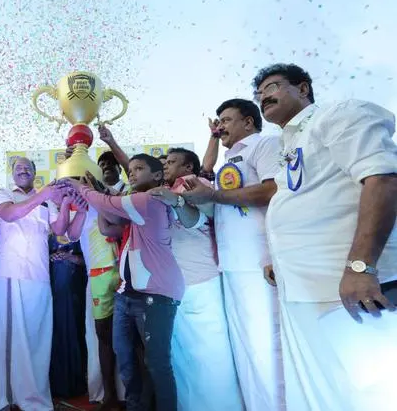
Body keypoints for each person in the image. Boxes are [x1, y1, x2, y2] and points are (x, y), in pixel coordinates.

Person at [254, 63, 397, 410]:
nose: (263, 98)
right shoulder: (288, 142)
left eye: (272, 87)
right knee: (325, 392)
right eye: (258, 95)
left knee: (370, 393)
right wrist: (281, 259)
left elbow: (382, 179)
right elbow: (306, 200)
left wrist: (362, 267)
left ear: (303, 89)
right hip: (303, 289)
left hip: (350, 287)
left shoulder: (340, 114)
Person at [59, 153, 189, 411]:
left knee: (157, 363)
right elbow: (108, 227)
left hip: (155, 294)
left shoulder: (151, 199)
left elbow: (105, 203)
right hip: (127, 293)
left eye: (139, 168)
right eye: (130, 169)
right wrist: (98, 195)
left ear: (157, 176)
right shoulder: (134, 205)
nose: (132, 173)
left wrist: (80, 187)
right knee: (126, 359)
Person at [180, 98, 284, 411]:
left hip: (259, 262)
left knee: (267, 346)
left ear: (249, 122)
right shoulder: (229, 159)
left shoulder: (264, 145)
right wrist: (213, 139)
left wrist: (214, 195)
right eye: (218, 121)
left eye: (226, 120)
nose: (220, 125)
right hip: (232, 265)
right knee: (245, 348)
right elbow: (207, 175)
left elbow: (273, 190)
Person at [150, 148, 243, 411]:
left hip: (201, 280)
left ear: (189, 167)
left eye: (172, 162)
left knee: (211, 355)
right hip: (175, 283)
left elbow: (198, 220)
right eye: (165, 162)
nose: (166, 166)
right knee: (184, 356)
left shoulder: (197, 185)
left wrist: (176, 202)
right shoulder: (165, 190)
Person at [0, 157, 69, 411]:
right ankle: (6, 398)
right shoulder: (2, 194)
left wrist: (65, 201)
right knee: (7, 338)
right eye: (18, 167)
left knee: (37, 338)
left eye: (28, 168)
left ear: (35, 173)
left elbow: (60, 228)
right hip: (10, 274)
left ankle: (33, 397)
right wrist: (44, 194)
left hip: (40, 276)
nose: (23, 170)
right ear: (12, 173)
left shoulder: (46, 199)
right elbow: (10, 215)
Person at [65, 146, 125, 409]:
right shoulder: (85, 201)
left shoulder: (125, 194)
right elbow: (72, 236)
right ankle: (104, 394)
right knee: (99, 336)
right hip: (96, 278)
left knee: (128, 339)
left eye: (112, 163)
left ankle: (128, 394)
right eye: (102, 163)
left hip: (128, 278)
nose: (108, 166)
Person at [48, 235, 88, 399]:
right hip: (49, 285)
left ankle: (75, 383)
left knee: (75, 331)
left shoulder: (80, 221)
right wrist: (50, 256)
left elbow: (89, 259)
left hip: (75, 287)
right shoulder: (47, 221)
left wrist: (71, 257)